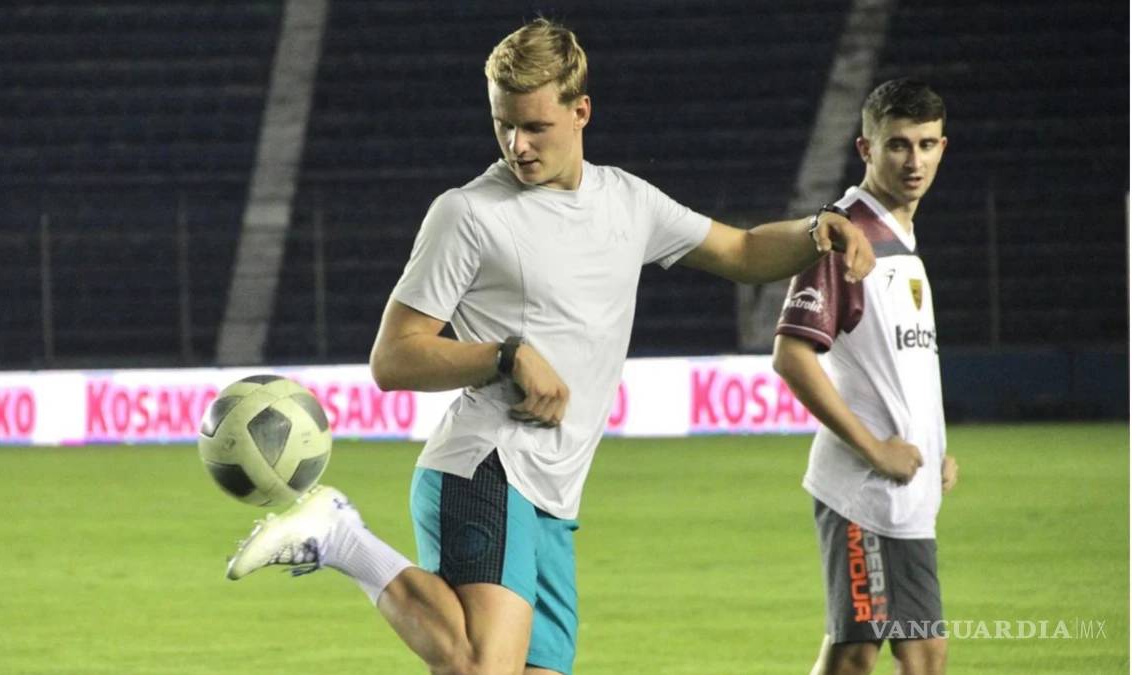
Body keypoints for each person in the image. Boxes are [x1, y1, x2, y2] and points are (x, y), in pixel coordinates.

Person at [225, 18, 875, 675]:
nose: (518, 145)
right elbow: (393, 358)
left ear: (580, 111)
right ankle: (339, 535)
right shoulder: (468, 214)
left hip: (556, 499)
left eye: (535, 126)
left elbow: (743, 251)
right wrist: (504, 355)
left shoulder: (628, 201)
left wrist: (818, 229)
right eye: (504, 125)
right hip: (487, 466)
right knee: (481, 665)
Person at [772, 78, 959, 675]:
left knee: (912, 653)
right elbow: (792, 357)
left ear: (942, 148)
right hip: (863, 491)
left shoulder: (902, 242)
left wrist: (934, 447)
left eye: (926, 145)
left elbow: (898, 367)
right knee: (871, 652)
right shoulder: (844, 238)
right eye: (898, 144)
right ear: (866, 149)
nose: (914, 161)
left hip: (906, 492)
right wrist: (875, 449)